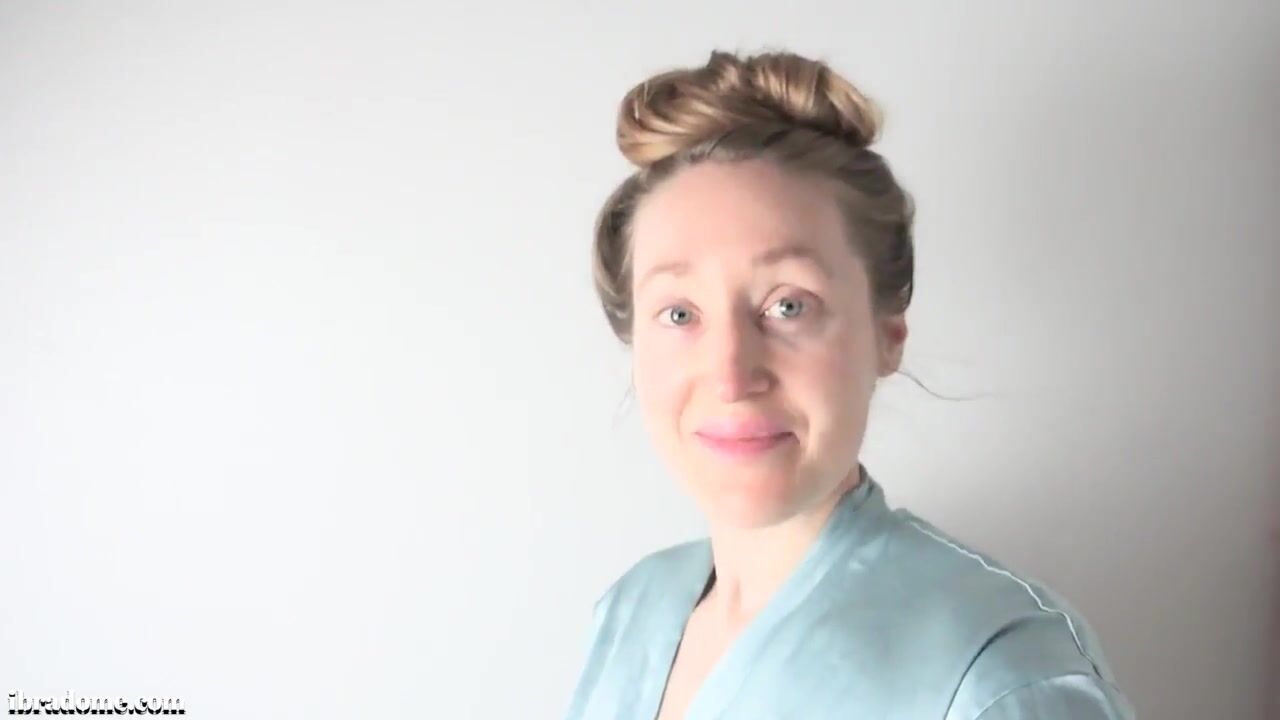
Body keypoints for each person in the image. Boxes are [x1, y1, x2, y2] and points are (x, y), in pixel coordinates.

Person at [565, 49, 1135, 720]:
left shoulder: (1001, 675)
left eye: (788, 305)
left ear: (887, 334)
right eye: (680, 314)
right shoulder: (630, 613)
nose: (731, 375)